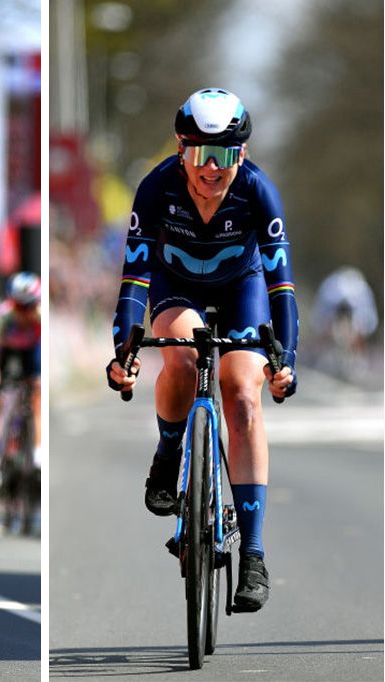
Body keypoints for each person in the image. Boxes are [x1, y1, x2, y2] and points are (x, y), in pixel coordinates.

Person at [106, 88, 298, 613]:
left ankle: (254, 555)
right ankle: (168, 455)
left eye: (226, 155)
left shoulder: (259, 192)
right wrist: (124, 352)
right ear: (180, 149)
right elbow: (134, 279)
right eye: (200, 155)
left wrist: (286, 363)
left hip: (243, 287)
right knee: (184, 355)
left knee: (242, 396)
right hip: (178, 284)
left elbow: (283, 289)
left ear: (244, 154)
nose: (213, 170)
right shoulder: (156, 187)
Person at [0, 272, 42, 491]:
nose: (25, 312)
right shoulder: (2, 317)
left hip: (31, 352)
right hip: (4, 353)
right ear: (12, 303)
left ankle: (36, 453)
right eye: (20, 306)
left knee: (37, 391)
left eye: (30, 306)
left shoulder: (41, 316)